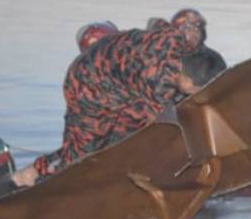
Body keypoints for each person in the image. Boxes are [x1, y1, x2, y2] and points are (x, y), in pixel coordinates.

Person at [11, 21, 201, 186]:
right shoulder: (156, 81)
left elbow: (158, 26)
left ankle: (119, 175)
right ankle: (31, 175)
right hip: (91, 92)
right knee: (78, 157)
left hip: (124, 92)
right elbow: (161, 121)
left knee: (123, 137)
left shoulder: (168, 48)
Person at [169, 9, 227, 86]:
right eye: (188, 29)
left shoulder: (212, 59)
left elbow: (223, 89)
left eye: (197, 29)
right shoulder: (163, 55)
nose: (193, 33)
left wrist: (192, 90)